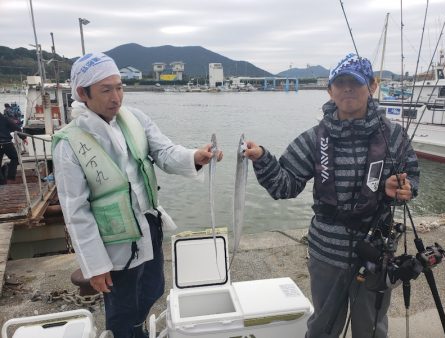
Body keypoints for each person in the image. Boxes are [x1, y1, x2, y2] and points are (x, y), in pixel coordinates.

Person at [244, 53, 420, 338]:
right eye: (340, 83)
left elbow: (413, 178)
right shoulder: (314, 138)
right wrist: (262, 159)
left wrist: (403, 187)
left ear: (372, 86)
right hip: (326, 252)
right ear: (330, 90)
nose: (347, 88)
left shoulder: (395, 136)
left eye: (356, 82)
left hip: (377, 252)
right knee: (323, 328)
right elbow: (284, 186)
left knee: (372, 328)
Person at [52, 52, 223, 338]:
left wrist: (196, 156)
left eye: (119, 87)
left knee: (152, 288)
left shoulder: (135, 119)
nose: (116, 97)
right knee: (121, 306)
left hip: (148, 227)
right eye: (106, 90)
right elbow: (76, 210)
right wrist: (95, 266)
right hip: (113, 244)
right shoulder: (69, 144)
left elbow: (164, 152)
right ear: (82, 93)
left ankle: (138, 329)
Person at [0, 111, 22, 184]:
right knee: (14, 158)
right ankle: (10, 177)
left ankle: (1, 181)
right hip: (6, 142)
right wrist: (23, 137)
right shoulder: (4, 118)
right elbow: (17, 128)